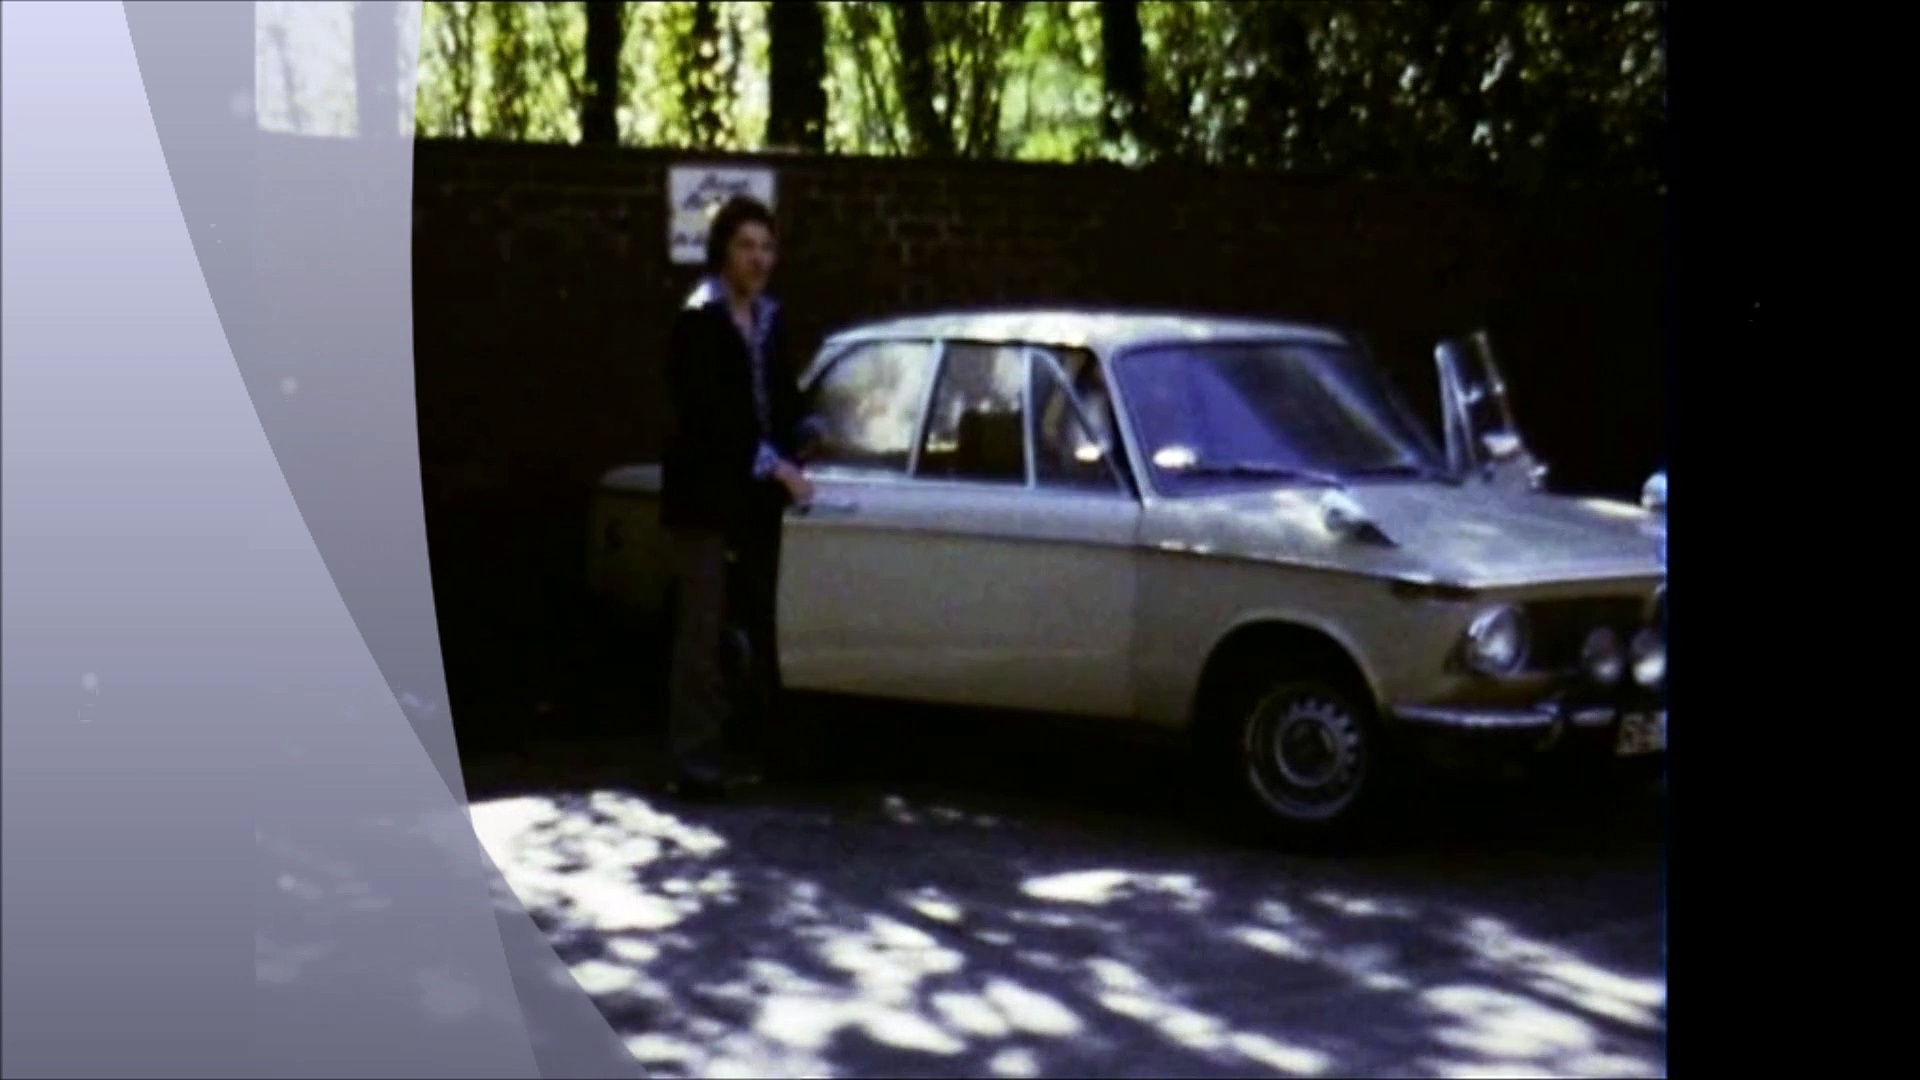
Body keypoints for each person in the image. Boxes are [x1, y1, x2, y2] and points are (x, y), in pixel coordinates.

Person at [659, 195, 820, 798]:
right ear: (723, 252)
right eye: (746, 246)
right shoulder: (699, 319)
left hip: (754, 501)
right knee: (701, 632)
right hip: (705, 497)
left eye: (767, 248)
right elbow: (708, 417)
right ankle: (695, 760)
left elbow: (783, 394)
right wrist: (773, 465)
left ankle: (754, 748)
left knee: (756, 622)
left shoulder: (770, 321)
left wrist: (806, 431)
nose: (758, 259)